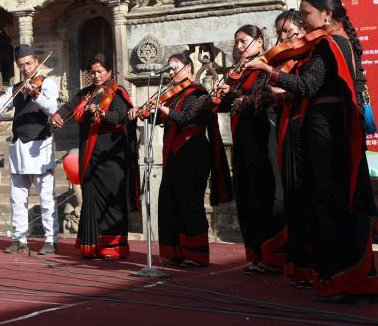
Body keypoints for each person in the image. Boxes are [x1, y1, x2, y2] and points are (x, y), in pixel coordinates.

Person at [246, 0, 378, 301]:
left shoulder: (329, 44)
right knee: (330, 200)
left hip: (326, 129)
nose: (303, 21)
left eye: (306, 14)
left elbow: (307, 86)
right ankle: (344, 279)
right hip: (326, 126)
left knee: (329, 200)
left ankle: (343, 280)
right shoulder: (333, 42)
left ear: (327, 15)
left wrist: (268, 71)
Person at [130, 52, 231, 267]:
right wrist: (146, 114)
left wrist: (161, 107)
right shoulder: (173, 94)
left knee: (190, 202)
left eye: (175, 67)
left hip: (193, 152)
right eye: (169, 68)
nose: (171, 72)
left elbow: (186, 117)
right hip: (175, 154)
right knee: (172, 201)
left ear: (188, 68)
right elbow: (165, 118)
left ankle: (197, 254)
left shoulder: (198, 92)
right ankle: (177, 251)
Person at [211, 25, 285, 274]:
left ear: (259, 41)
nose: (239, 46)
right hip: (243, 136)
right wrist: (221, 94)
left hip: (263, 132)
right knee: (247, 193)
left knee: (266, 191)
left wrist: (235, 93)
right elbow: (229, 103)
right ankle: (256, 255)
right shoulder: (240, 71)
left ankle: (275, 256)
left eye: (243, 41)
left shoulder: (269, 64)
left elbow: (264, 95)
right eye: (237, 42)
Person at [54, 53, 136, 260]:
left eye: (100, 71)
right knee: (90, 199)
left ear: (109, 72)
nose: (96, 75)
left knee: (112, 200)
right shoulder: (85, 93)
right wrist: (58, 115)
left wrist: (102, 113)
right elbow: (69, 107)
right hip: (91, 154)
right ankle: (92, 245)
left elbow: (120, 117)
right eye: (92, 72)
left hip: (111, 155)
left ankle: (113, 247)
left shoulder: (117, 92)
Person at [0, 45, 59, 255]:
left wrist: (36, 94)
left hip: (40, 144)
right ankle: (19, 238)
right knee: (17, 197)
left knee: (46, 196)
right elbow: (1, 103)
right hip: (19, 146)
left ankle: (51, 238)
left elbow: (52, 108)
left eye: (29, 64)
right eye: (21, 65)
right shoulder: (16, 88)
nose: (26, 68)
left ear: (36, 62)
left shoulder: (47, 83)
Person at [269, 9, 312, 286]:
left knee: (305, 196)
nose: (284, 38)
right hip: (288, 129)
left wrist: (276, 81)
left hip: (304, 131)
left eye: (288, 32)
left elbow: (307, 87)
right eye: (280, 34)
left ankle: (310, 265)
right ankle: (299, 265)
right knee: (293, 198)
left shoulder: (310, 56)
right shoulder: (288, 60)